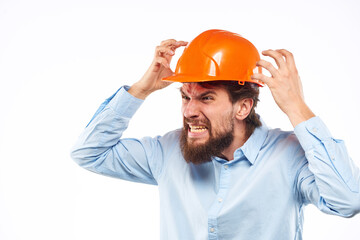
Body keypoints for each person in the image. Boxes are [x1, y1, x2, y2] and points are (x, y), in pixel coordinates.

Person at [71, 29, 360, 239]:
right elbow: (89, 153)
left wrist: (296, 107)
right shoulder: (167, 151)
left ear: (243, 107)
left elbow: (349, 200)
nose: (189, 111)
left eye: (206, 98)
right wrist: (141, 89)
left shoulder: (288, 156)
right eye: (185, 97)